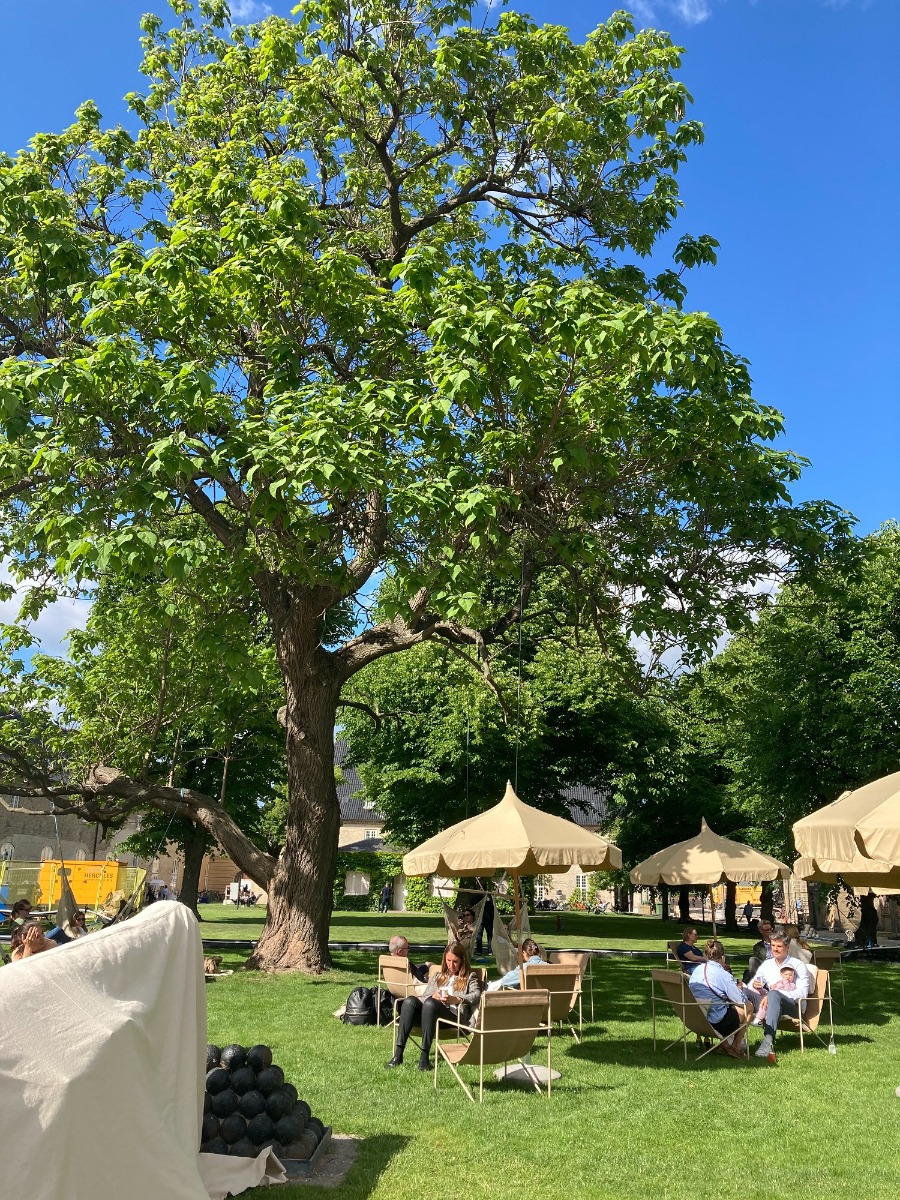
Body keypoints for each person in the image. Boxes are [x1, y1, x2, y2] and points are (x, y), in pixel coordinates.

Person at [385, 941, 482, 1071]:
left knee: (431, 1004)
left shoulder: (470, 977)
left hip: (453, 1018)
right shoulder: (438, 976)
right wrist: (433, 996)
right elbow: (425, 997)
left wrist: (457, 999)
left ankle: (424, 1057)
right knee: (410, 1001)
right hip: (430, 1014)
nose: (451, 965)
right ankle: (398, 1055)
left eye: (455, 961)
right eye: (448, 960)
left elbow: (477, 995)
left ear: (462, 961)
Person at [744, 932, 810, 1058]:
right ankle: (738, 1037)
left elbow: (802, 993)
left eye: (779, 946)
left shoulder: (797, 965)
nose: (775, 949)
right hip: (767, 1004)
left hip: (792, 1006)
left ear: (787, 948)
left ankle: (768, 1042)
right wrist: (755, 985)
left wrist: (774, 995)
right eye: (773, 945)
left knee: (774, 994)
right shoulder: (768, 964)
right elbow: (752, 985)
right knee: (743, 992)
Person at [688, 939, 749, 1058]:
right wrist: (740, 989)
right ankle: (736, 1046)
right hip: (717, 1023)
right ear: (722, 957)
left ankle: (724, 1045)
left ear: (706, 954)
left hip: (695, 1019)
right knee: (748, 1007)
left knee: (722, 1006)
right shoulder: (723, 974)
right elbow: (740, 1001)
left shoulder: (697, 971)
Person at [475, 891, 493, 956]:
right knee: (479, 935)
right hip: (481, 919)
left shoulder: (489, 897)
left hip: (488, 919)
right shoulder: (478, 897)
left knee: (489, 935)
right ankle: (480, 951)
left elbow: (492, 908)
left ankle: (489, 950)